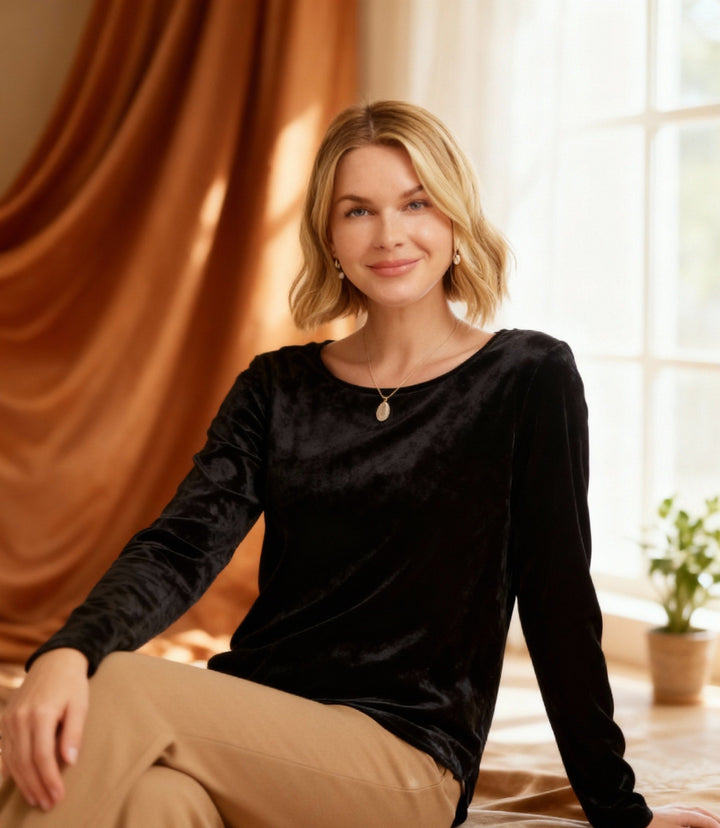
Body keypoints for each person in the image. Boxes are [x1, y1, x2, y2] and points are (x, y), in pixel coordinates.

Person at [0, 100, 717, 828]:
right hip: (255, 725)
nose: (390, 234)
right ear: (330, 236)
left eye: (416, 202)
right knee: (158, 801)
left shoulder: (526, 378)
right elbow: (182, 545)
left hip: (404, 759)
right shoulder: (277, 387)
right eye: (358, 211)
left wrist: (621, 813)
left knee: (117, 685)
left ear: (454, 220)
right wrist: (69, 647)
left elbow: (559, 604)